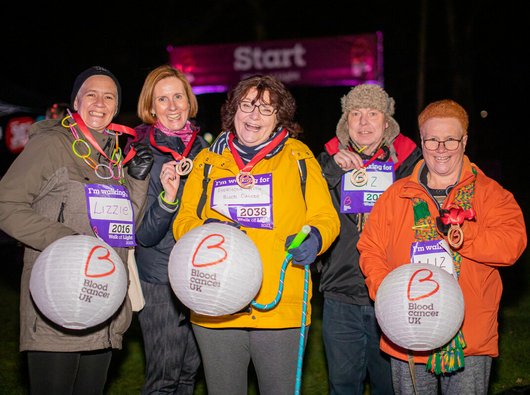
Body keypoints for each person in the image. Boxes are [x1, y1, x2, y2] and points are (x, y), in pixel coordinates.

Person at [172, 74, 340, 395]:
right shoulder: (207, 161)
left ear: (279, 118)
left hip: (279, 306)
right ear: (233, 110)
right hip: (215, 304)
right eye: (247, 105)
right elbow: (183, 221)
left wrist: (316, 238)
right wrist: (203, 231)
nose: (254, 115)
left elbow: (325, 215)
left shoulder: (298, 157)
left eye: (266, 109)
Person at [0, 65, 153, 395]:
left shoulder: (113, 156)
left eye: (109, 96)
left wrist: (138, 181)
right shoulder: (52, 145)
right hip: (58, 302)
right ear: (76, 102)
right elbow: (5, 205)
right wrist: (66, 242)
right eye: (91, 94)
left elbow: (124, 230)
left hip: (103, 302)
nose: (100, 102)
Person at [357, 99, 527, 394]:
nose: (441, 148)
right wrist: (388, 292)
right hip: (408, 328)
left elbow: (512, 245)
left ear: (465, 141)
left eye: (450, 139)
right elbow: (370, 248)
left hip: (469, 334)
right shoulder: (397, 195)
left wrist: (463, 237)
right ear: (421, 141)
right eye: (432, 140)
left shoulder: (491, 194)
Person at [316, 84, 422, 395]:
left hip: (391, 294)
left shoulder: (410, 166)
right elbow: (306, 209)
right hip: (340, 294)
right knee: (342, 386)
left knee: (389, 387)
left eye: (372, 114)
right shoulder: (326, 163)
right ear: (344, 123)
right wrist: (332, 170)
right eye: (355, 114)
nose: (364, 122)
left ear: (387, 122)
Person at [127, 64, 208, 394]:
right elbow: (143, 235)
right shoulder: (139, 151)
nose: (173, 106)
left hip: (199, 273)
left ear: (189, 102)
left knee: (189, 371)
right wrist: (167, 198)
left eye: (178, 96)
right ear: (150, 107)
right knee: (164, 377)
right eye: (163, 99)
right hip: (160, 279)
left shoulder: (203, 149)